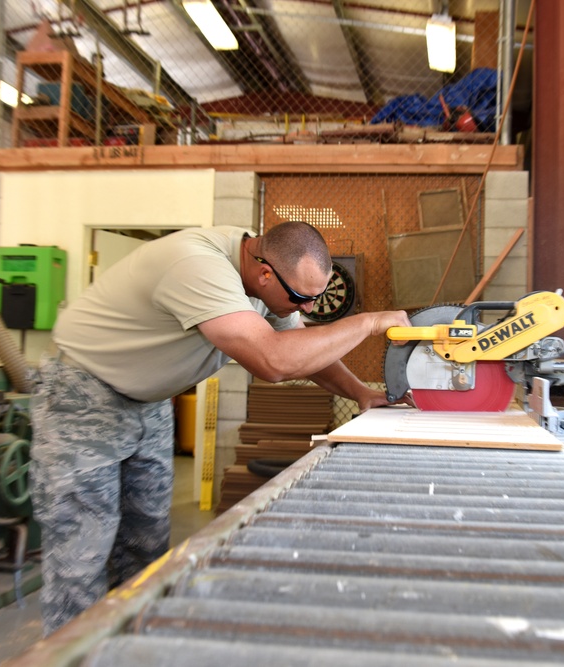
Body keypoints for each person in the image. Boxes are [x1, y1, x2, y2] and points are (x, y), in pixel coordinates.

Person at [29, 221, 412, 635]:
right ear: (266, 274)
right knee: (80, 561)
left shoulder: (262, 273)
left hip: (148, 402)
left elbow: (302, 349)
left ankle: (127, 651)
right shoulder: (198, 266)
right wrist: (368, 323)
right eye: (302, 299)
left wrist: (360, 392)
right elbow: (275, 361)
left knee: (145, 550)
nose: (307, 310)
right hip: (84, 397)